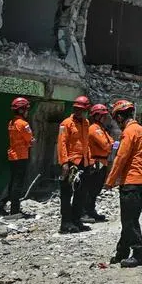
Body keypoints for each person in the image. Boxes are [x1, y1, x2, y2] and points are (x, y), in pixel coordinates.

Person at [104, 99, 142, 268]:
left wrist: (110, 181)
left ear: (119, 117)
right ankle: (122, 252)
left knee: (129, 221)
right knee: (130, 219)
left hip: (131, 181)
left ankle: (140, 254)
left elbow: (121, 157)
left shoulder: (129, 132)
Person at [57, 95, 93, 234]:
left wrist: (89, 162)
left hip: (83, 163)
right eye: (77, 109)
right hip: (71, 163)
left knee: (81, 193)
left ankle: (76, 220)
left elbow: (86, 144)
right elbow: (61, 144)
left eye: (82, 110)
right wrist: (64, 163)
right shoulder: (65, 124)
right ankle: (65, 223)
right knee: (66, 194)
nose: (79, 112)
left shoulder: (86, 123)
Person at [0, 97, 34, 217]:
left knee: (12, 182)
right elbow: (30, 140)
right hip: (21, 156)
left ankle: (0, 205)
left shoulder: (11, 123)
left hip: (13, 155)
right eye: (26, 109)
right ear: (22, 111)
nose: (28, 112)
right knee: (17, 184)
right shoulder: (24, 124)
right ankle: (15, 211)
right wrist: (31, 141)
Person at [83, 103, 114, 222]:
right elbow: (107, 145)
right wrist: (111, 145)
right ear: (97, 116)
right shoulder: (94, 129)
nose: (105, 118)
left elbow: (112, 143)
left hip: (102, 161)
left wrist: (111, 144)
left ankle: (91, 210)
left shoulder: (101, 128)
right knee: (91, 188)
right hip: (96, 161)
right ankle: (85, 212)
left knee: (96, 188)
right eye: (103, 116)